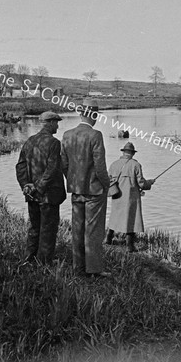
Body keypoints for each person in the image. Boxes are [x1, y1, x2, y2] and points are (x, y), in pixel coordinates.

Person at [61, 98, 110, 277]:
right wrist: (108, 185)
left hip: (75, 190)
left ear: (80, 114)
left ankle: (78, 267)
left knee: (77, 228)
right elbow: (100, 167)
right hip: (94, 191)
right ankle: (94, 269)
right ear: (94, 116)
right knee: (93, 231)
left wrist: (72, 180)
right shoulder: (95, 135)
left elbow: (63, 164)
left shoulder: (67, 134)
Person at [16, 111, 66, 266]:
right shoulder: (54, 143)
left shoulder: (29, 141)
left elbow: (20, 167)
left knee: (34, 227)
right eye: (56, 122)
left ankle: (29, 259)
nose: (57, 125)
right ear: (49, 123)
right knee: (48, 229)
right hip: (47, 194)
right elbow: (52, 169)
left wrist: (26, 187)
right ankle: (44, 263)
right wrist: (38, 187)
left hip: (32, 195)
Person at [105, 142, 155, 252]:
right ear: (132, 153)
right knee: (131, 219)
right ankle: (129, 246)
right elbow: (141, 183)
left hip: (117, 195)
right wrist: (149, 183)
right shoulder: (136, 165)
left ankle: (108, 239)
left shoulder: (114, 164)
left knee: (115, 217)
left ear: (123, 152)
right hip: (130, 197)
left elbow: (108, 180)